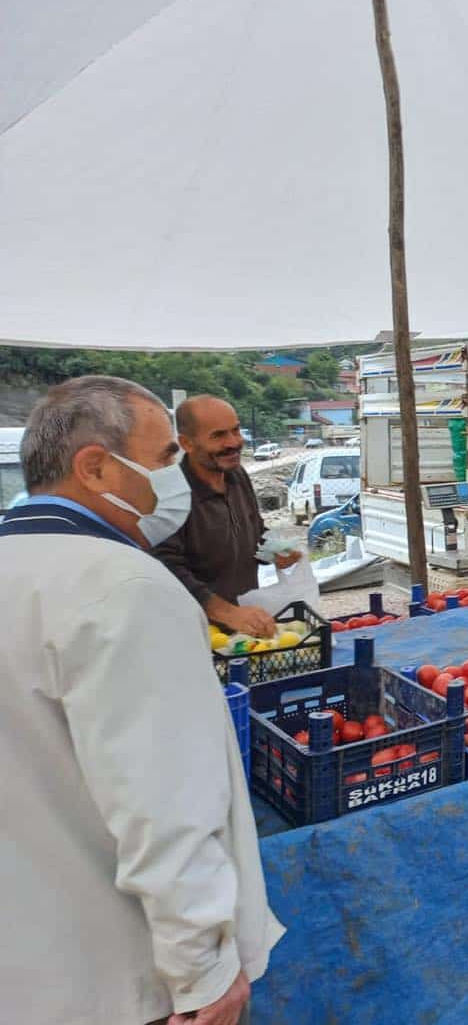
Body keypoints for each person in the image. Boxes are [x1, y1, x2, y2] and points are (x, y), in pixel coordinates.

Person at [0, 376, 281, 1025]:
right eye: (163, 460)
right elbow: (164, 805)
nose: (174, 478)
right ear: (95, 468)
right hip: (124, 976)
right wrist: (204, 971)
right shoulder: (125, 589)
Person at [155, 395, 299, 638]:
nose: (234, 442)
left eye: (236, 430)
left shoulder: (237, 475)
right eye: (218, 435)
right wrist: (226, 612)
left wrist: (274, 551)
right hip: (197, 635)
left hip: (243, 630)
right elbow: (166, 568)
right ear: (187, 443)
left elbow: (254, 530)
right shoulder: (170, 494)